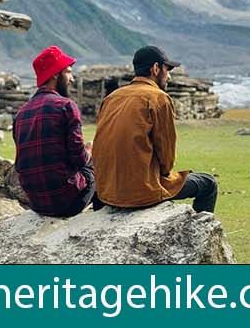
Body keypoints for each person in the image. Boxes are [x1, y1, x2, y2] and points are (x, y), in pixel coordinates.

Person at [93, 45, 218, 213]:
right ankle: (199, 235)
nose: (169, 75)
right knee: (208, 184)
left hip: (106, 191)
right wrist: (167, 175)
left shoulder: (111, 98)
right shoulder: (158, 98)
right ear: (156, 68)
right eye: (168, 69)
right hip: (140, 192)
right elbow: (166, 156)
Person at [12, 45, 93, 217]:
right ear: (56, 74)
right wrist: (89, 151)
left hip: (36, 203)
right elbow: (79, 159)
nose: (71, 78)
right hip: (66, 201)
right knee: (96, 165)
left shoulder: (21, 113)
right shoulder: (65, 106)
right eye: (68, 72)